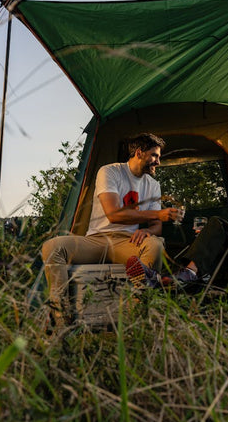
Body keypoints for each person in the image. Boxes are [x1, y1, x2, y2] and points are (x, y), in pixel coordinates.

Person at [40, 133, 183, 324]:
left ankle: (137, 312)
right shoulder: (110, 172)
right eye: (154, 155)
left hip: (127, 242)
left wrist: (147, 231)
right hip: (97, 240)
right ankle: (60, 312)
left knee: (155, 245)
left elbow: (156, 227)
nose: (158, 161)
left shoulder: (153, 185)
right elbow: (113, 214)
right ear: (139, 153)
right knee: (53, 247)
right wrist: (158, 214)